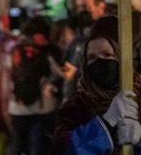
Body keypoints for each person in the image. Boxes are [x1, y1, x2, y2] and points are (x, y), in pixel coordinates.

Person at [51, 15, 141, 154]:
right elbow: (63, 150)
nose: (100, 62)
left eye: (107, 54)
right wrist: (105, 123)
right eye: (92, 57)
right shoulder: (76, 107)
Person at [7, 14, 62, 154]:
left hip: (17, 108)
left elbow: (6, 77)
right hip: (43, 109)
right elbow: (62, 74)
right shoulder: (51, 52)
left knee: (18, 145)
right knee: (38, 148)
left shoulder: (15, 50)